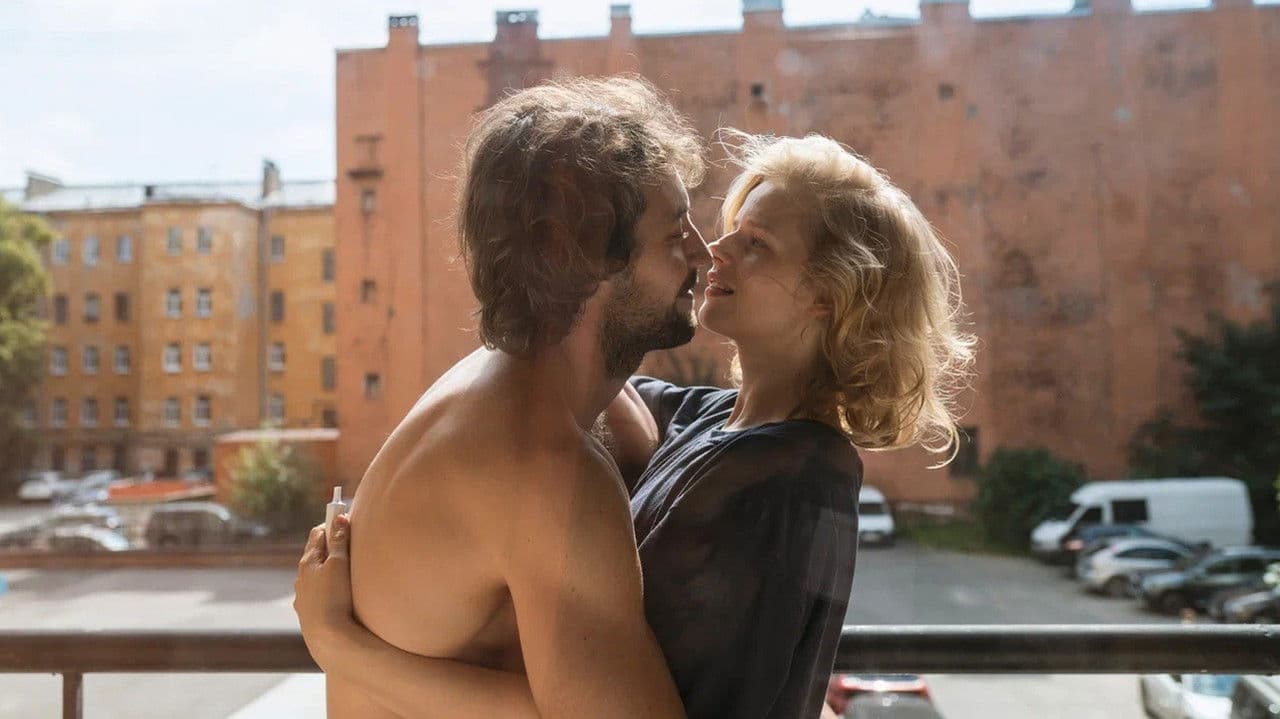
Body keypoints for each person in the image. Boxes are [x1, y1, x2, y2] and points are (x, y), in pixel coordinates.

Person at [295, 125, 975, 717]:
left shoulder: (793, 477)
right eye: (706, 229)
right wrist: (568, 254)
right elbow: (591, 373)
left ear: (831, 294)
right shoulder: (708, 421)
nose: (713, 250)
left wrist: (342, 646)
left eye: (757, 243)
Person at [297, 75, 709, 719]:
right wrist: (336, 646)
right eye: (676, 232)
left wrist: (340, 647)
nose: (703, 254)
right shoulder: (540, 464)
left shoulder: (532, 393)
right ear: (589, 255)